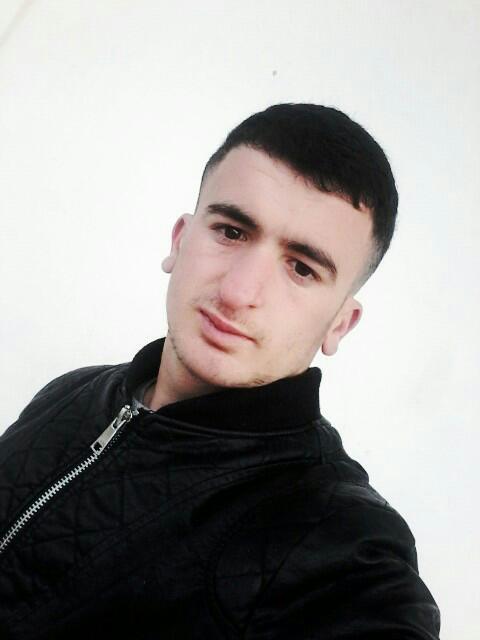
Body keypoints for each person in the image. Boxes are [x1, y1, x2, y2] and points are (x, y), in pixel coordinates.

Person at [0, 104, 441, 639]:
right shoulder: (73, 391)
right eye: (231, 231)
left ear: (339, 324)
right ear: (179, 240)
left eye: (301, 268)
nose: (237, 293)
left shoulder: (336, 536)